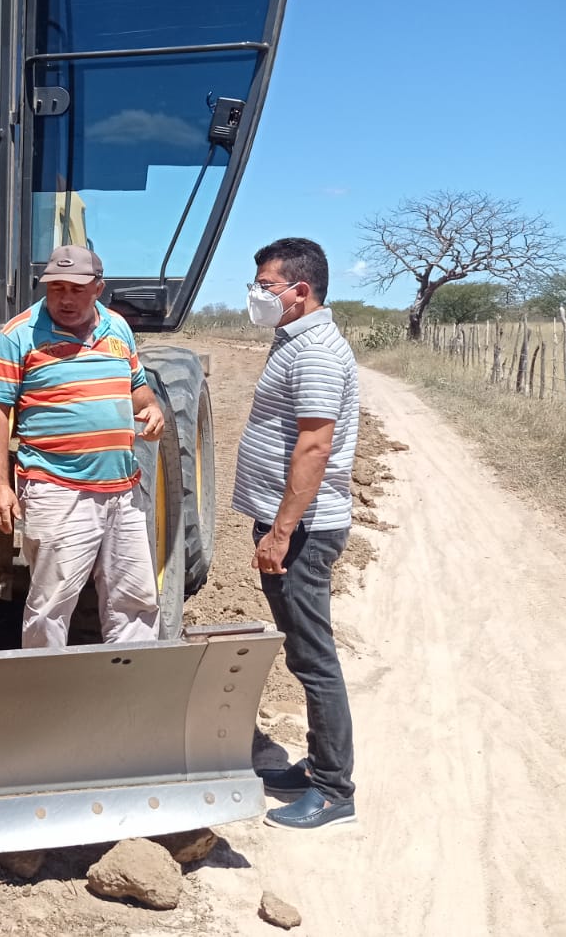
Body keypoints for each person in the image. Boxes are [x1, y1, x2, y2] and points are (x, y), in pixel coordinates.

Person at [0, 244, 165, 648]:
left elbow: (138, 391)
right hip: (57, 489)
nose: (65, 298)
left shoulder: (118, 328)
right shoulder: (20, 334)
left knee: (134, 601)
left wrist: (152, 410)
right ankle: (47, 693)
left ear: (98, 288)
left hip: (123, 492)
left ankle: (131, 690)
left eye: (76, 289)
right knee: (50, 607)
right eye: (56, 287)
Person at [234, 237, 361, 830]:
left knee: (313, 659)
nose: (258, 296)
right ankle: (317, 767)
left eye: (266, 286)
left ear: (299, 291)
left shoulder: (314, 353)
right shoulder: (298, 341)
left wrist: (281, 532)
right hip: (297, 524)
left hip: (304, 530)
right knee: (306, 650)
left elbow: (315, 445)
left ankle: (335, 791)